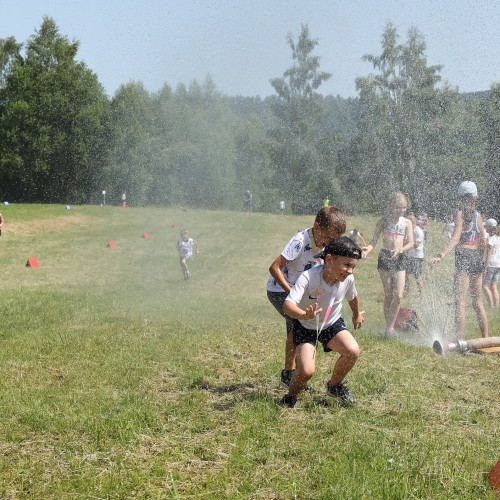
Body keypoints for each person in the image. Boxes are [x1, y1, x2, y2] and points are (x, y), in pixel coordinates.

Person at [267, 206, 346, 389]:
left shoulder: (324, 245)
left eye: (334, 240)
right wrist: (291, 293)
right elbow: (274, 268)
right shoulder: (300, 241)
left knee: (295, 328)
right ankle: (291, 374)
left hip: (299, 292)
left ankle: (290, 374)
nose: (330, 243)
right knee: (299, 326)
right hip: (279, 290)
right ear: (317, 227)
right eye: (329, 238)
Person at [280, 237, 364, 408]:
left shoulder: (347, 279)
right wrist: (303, 315)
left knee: (352, 351)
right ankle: (290, 397)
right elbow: (287, 305)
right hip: (305, 326)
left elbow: (352, 296)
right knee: (306, 371)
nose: (350, 271)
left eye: (353, 267)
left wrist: (356, 314)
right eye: (347, 265)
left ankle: (334, 386)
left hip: (331, 323)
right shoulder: (308, 277)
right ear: (329, 259)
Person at [431, 181, 489, 339]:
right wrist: (483, 262)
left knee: (460, 302)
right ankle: (486, 338)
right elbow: (483, 241)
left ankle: (459, 340)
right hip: (476, 258)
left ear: (459, 197)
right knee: (477, 302)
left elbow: (456, 238)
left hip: (464, 257)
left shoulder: (460, 213)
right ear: (476, 197)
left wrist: (441, 255)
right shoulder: (478, 216)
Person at [362, 192, 414, 337]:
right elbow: (373, 241)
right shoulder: (383, 221)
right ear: (390, 206)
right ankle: (389, 327)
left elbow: (411, 243)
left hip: (400, 258)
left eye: (404, 207)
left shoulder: (407, 223)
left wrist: (400, 249)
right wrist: (368, 250)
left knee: (398, 295)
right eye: (398, 207)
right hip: (385, 257)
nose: (401, 210)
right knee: (389, 294)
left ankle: (390, 328)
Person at [405, 214, 425, 296]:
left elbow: (416, 245)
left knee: (417, 276)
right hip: (410, 256)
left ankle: (422, 294)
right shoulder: (410, 230)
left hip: (417, 257)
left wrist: (409, 241)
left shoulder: (418, 231)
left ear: (412, 223)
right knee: (405, 274)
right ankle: (406, 292)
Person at [483, 218, 500, 308]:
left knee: (484, 286)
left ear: (490, 228)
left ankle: (491, 306)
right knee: (494, 286)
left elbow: (489, 254)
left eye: (486, 227)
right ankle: (497, 306)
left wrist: (485, 267)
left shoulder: (490, 239)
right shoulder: (498, 238)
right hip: (498, 265)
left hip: (491, 265)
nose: (485, 228)